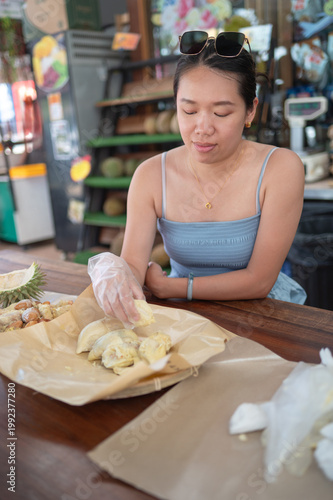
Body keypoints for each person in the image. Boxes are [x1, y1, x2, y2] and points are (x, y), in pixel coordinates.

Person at [88, 31, 306, 327]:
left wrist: (174, 287)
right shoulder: (151, 175)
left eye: (221, 112)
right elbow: (134, 267)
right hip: (185, 320)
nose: (202, 128)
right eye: (188, 110)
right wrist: (113, 275)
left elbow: (259, 281)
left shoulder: (280, 168)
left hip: (263, 318)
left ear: (250, 110)